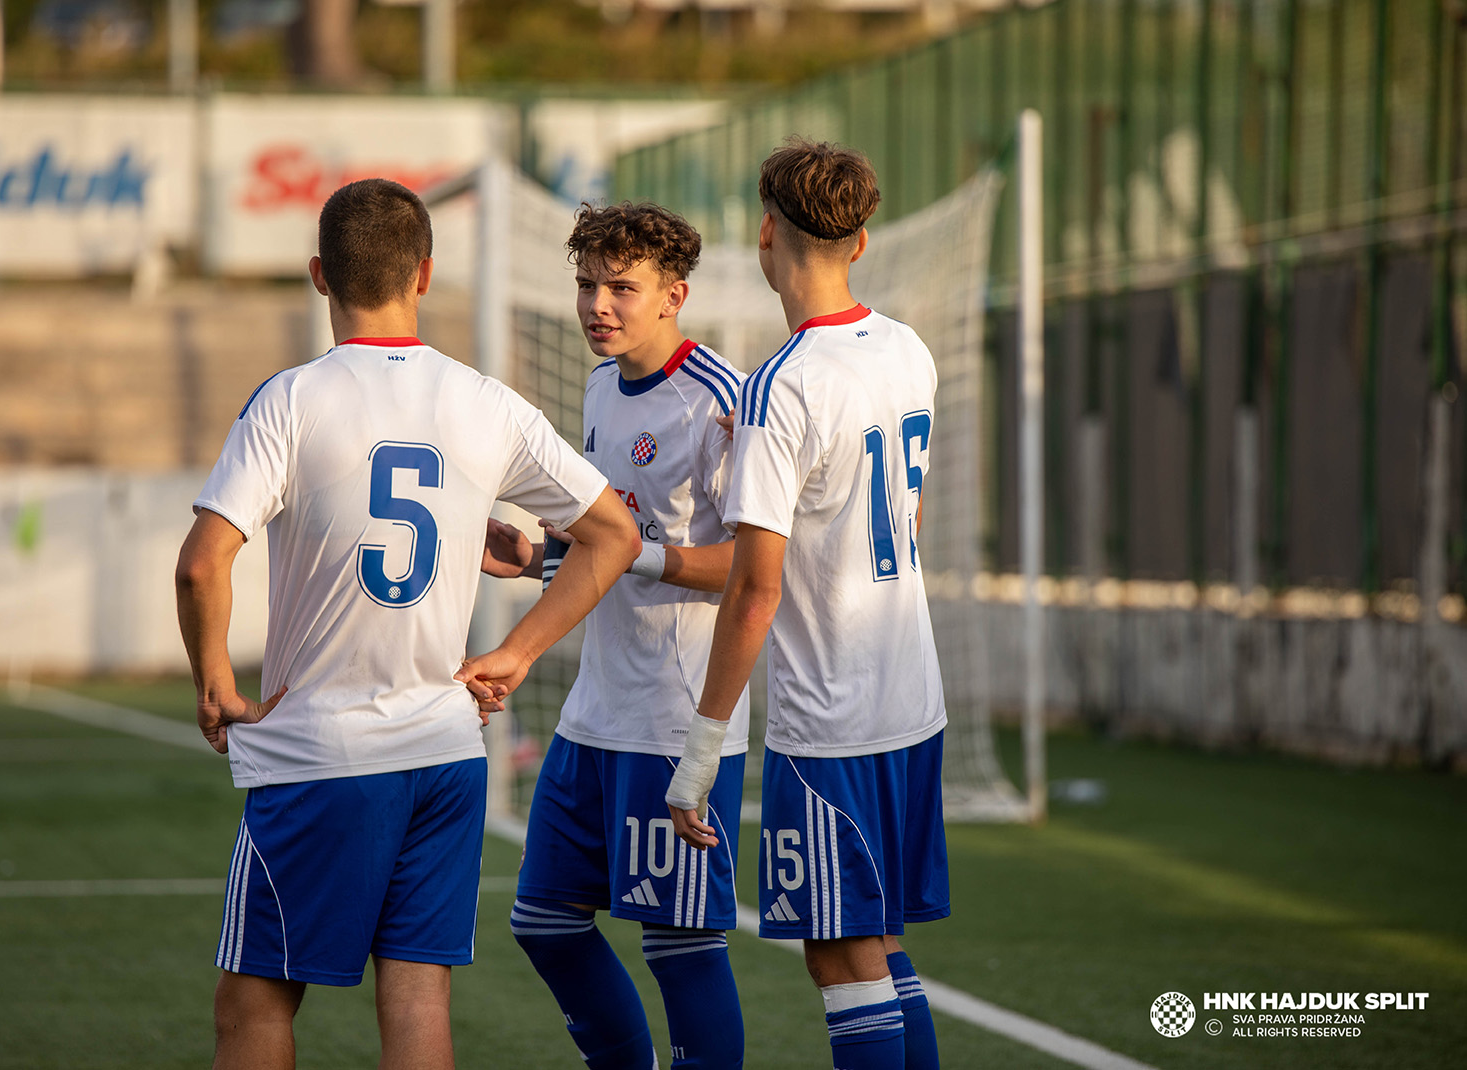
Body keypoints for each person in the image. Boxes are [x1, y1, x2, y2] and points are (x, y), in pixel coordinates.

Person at [174, 177, 639, 1070]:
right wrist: (512, 655)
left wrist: (215, 685)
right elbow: (611, 534)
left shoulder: (292, 399)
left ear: (319, 275)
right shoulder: (486, 401)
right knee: (418, 989)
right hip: (445, 749)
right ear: (423, 276)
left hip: (319, 751)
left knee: (258, 996)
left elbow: (203, 560)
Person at [662, 139, 949, 1070]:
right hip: (913, 699)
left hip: (831, 718)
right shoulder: (905, 348)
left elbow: (754, 586)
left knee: (838, 952)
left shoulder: (780, 386)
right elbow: (897, 510)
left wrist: (701, 752)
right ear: (861, 241)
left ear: (763, 235)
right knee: (885, 943)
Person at [469, 202, 751, 1070]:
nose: (598, 304)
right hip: (596, 714)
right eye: (587, 284)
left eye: (621, 287)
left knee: (679, 943)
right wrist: (538, 560)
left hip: (676, 717)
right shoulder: (597, 385)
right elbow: (614, 542)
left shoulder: (719, 401)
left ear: (675, 294)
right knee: (544, 921)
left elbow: (754, 565)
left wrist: (629, 557)